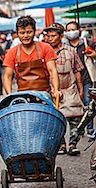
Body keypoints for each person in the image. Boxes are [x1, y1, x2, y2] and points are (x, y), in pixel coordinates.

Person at [45, 23, 84, 156]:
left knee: (75, 119)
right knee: (56, 119)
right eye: (48, 36)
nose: (50, 38)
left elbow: (77, 71)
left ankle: (73, 144)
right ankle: (61, 144)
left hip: (70, 89)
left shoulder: (70, 51)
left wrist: (80, 88)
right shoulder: (45, 51)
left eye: (53, 35)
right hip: (52, 91)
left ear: (61, 36)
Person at [3, 16, 60, 98]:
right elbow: (7, 76)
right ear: (17, 34)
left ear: (34, 31)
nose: (26, 36)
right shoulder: (12, 52)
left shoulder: (45, 48)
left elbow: (52, 70)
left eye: (29, 32)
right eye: (22, 33)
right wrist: (9, 95)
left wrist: (56, 90)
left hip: (44, 94)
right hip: (23, 96)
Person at [65, 21, 96, 136]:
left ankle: (90, 129)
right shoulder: (65, 46)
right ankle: (79, 128)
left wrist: (93, 54)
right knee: (75, 104)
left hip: (87, 77)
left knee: (88, 103)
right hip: (71, 80)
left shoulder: (87, 43)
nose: (71, 32)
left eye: (73, 29)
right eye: (68, 30)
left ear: (78, 30)